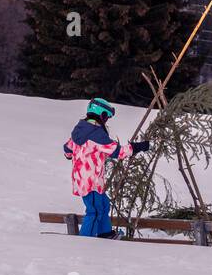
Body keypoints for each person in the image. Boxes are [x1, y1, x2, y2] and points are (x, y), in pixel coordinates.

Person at [63, 98, 150, 238]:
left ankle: (105, 233)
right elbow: (118, 152)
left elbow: (67, 148)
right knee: (94, 211)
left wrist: (69, 155)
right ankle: (84, 241)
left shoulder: (80, 129)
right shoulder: (96, 134)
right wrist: (138, 147)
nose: (107, 121)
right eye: (107, 117)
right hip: (90, 182)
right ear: (101, 114)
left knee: (103, 204)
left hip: (88, 180)